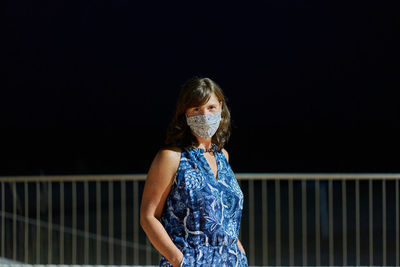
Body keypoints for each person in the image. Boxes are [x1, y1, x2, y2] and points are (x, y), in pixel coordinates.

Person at [140, 77, 247, 266]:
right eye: (196, 109)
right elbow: (148, 217)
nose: (205, 115)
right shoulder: (171, 157)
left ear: (221, 108)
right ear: (185, 114)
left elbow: (224, 219)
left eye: (211, 107)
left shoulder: (223, 156)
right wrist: (180, 261)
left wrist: (240, 252)